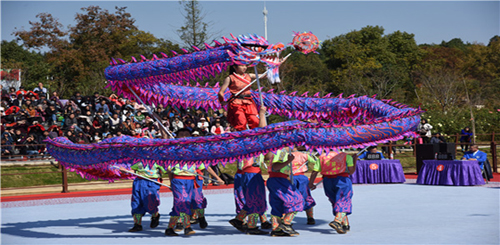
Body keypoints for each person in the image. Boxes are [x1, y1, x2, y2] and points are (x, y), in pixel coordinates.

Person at [164, 128, 224, 236]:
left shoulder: (194, 152)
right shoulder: (173, 151)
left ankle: (170, 228)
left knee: (190, 202)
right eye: (181, 135)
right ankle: (186, 227)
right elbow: (169, 170)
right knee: (183, 202)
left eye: (186, 134)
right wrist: (171, 182)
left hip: (192, 180)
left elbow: (204, 166)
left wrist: (217, 178)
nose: (184, 137)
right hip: (179, 180)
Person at [228, 106, 272, 235]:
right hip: (250, 173)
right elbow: (263, 131)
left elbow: (268, 157)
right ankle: (251, 226)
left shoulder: (245, 141)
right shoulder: (248, 140)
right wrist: (262, 114)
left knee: (255, 199)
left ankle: (240, 219)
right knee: (255, 199)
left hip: (250, 172)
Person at [309, 151, 357, 234]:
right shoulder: (346, 156)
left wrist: (311, 183)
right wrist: (354, 160)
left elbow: (315, 171)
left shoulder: (322, 157)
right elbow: (351, 171)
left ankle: (345, 223)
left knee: (335, 200)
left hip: (328, 181)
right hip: (342, 180)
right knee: (344, 199)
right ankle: (337, 221)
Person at [265, 147, 304, 236]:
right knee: (297, 200)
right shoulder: (281, 151)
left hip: (276, 179)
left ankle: (276, 229)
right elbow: (275, 167)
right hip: (279, 180)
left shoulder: (279, 151)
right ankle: (286, 223)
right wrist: (288, 161)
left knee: (277, 204)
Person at [119, 160, 166, 232]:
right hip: (138, 182)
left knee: (150, 203)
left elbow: (164, 171)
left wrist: (157, 175)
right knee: (136, 203)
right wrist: (126, 171)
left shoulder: (157, 161)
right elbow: (134, 170)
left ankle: (155, 216)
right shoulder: (138, 162)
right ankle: (137, 224)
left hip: (151, 183)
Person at [218, 64, 265, 131]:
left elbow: (263, 75)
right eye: (242, 66)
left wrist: (274, 66)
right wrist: (222, 101)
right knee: (241, 123)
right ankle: (242, 139)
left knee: (255, 120)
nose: (244, 67)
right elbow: (220, 92)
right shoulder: (230, 78)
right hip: (236, 103)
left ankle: (255, 137)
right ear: (235, 67)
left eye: (245, 66)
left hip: (249, 102)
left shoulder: (249, 75)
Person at [291, 148, 319, 225]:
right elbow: (315, 162)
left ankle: (284, 217)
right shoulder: (304, 155)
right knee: (306, 196)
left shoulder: (286, 155)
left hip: (290, 177)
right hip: (301, 177)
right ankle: (310, 217)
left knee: (290, 197)